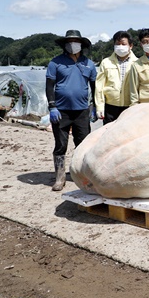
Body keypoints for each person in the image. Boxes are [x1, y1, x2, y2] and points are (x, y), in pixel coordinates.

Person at [45, 30, 97, 191]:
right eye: (69, 41)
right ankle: (60, 177)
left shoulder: (89, 63)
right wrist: (52, 106)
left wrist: (94, 105)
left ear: (81, 44)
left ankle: (81, 174)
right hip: (61, 111)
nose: (72, 44)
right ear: (64, 44)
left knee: (83, 144)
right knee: (60, 144)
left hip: (82, 110)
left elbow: (94, 86)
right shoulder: (56, 63)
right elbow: (49, 86)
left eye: (76, 41)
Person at [94, 31, 138, 124]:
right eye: (117, 44)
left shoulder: (137, 63)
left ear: (130, 46)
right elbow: (99, 87)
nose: (120, 46)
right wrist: (99, 107)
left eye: (123, 44)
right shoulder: (106, 62)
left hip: (129, 107)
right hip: (110, 107)